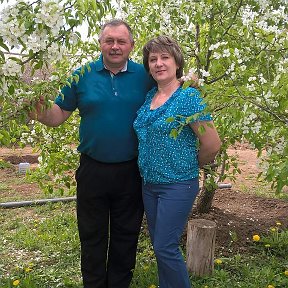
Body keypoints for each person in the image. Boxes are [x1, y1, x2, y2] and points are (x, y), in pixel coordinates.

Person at [29, 19, 155, 288]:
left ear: (131, 45)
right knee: (91, 235)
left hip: (131, 170)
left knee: (126, 235)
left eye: (121, 41)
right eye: (109, 40)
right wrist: (39, 112)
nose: (115, 46)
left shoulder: (146, 77)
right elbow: (57, 115)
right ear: (100, 44)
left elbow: (169, 98)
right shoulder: (81, 75)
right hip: (92, 169)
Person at [133, 35, 221, 288]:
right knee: (160, 245)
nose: (159, 63)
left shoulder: (188, 97)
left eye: (165, 57)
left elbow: (212, 144)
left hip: (177, 184)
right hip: (149, 185)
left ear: (176, 62)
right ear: (148, 66)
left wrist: (190, 166)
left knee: (165, 246)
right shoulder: (149, 96)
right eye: (153, 59)